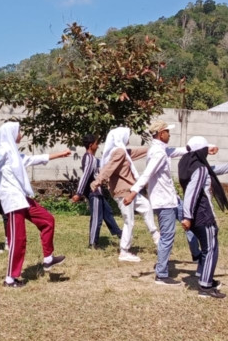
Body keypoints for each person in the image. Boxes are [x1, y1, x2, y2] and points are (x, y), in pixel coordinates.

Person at [0, 122, 69, 288]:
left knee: (47, 220)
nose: (21, 134)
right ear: (11, 133)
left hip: (22, 199)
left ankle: (48, 259)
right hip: (12, 202)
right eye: (19, 131)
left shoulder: (14, 153)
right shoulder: (2, 151)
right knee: (18, 240)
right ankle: (10, 279)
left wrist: (60, 154)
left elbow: (33, 159)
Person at [180, 136, 228, 299]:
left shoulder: (186, 164)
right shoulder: (201, 169)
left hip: (195, 215)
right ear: (201, 151)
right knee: (211, 249)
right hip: (202, 215)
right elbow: (192, 193)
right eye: (205, 149)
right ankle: (205, 287)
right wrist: (187, 216)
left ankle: (204, 276)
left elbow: (214, 170)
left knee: (207, 247)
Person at [123, 120, 187, 285]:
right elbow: (147, 174)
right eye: (167, 132)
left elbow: (179, 150)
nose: (169, 135)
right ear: (161, 134)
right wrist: (133, 193)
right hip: (164, 202)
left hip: (171, 199)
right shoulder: (158, 153)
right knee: (167, 237)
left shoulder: (161, 150)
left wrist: (203, 147)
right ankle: (161, 274)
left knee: (189, 223)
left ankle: (198, 256)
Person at [90, 127, 159, 262]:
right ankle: (124, 251)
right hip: (123, 192)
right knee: (129, 221)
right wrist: (97, 181)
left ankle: (156, 237)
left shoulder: (123, 152)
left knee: (146, 207)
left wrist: (157, 148)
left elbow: (139, 152)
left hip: (130, 190)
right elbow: (108, 168)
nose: (128, 139)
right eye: (127, 136)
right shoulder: (119, 152)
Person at [71, 134, 122, 250]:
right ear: (91, 145)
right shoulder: (89, 158)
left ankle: (120, 234)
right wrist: (79, 193)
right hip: (94, 192)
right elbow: (85, 175)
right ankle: (93, 243)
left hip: (98, 192)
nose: (98, 146)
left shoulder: (93, 159)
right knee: (96, 218)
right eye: (96, 143)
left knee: (107, 212)